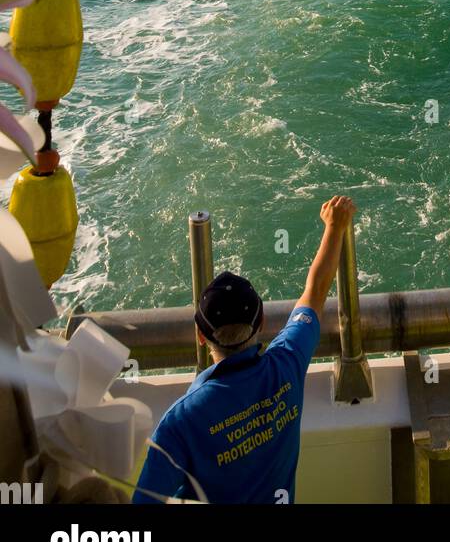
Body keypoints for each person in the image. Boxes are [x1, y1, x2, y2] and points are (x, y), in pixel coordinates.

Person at [133, 195, 356, 505]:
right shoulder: (287, 364)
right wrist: (335, 226)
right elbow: (316, 291)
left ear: (200, 336)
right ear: (261, 322)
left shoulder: (181, 422)